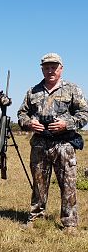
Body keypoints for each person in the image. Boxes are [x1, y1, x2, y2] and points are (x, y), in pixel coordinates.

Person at [17, 52, 88, 234]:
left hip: (64, 144)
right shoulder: (32, 91)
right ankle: (36, 217)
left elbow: (84, 114)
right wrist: (28, 123)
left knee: (68, 184)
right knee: (39, 183)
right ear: (42, 69)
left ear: (61, 69)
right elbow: (21, 114)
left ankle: (70, 223)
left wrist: (67, 124)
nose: (50, 71)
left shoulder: (73, 89)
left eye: (53, 67)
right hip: (40, 144)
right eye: (46, 67)